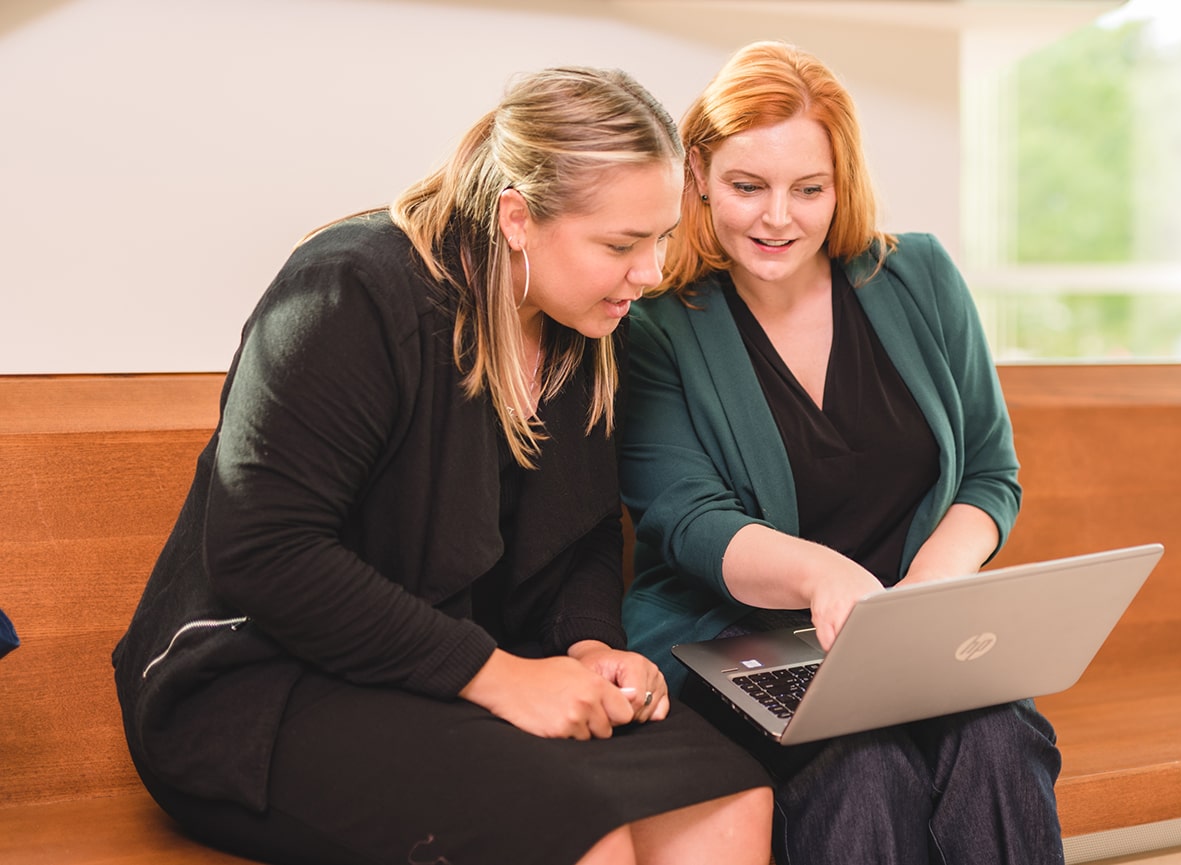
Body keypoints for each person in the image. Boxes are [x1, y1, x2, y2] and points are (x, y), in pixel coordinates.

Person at [112, 66, 772, 865]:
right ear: (518, 218)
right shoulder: (350, 290)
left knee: (730, 794)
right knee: (574, 828)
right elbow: (267, 554)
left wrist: (591, 646)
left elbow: (589, 530)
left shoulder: (588, 327)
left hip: (452, 669)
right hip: (263, 686)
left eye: (662, 236)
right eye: (622, 244)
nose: (652, 272)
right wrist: (498, 676)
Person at [619, 42, 1065, 864]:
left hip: (911, 640)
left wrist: (919, 604)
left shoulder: (919, 276)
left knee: (1001, 740)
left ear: (841, 184)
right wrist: (826, 579)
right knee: (865, 766)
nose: (777, 217)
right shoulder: (657, 327)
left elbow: (989, 473)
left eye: (808, 189)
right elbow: (690, 522)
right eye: (748, 187)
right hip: (739, 639)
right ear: (701, 179)